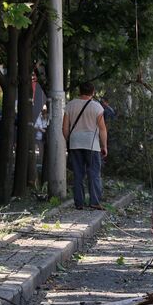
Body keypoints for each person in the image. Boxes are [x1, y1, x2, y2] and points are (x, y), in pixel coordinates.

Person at [62, 80, 108, 210]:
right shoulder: (97, 107)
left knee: (78, 174)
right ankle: (94, 201)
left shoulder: (70, 105)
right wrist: (104, 146)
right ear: (93, 92)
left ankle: (79, 203)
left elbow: (64, 127)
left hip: (75, 143)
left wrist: (69, 141)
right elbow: (102, 129)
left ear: (80, 91)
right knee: (93, 173)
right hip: (92, 144)